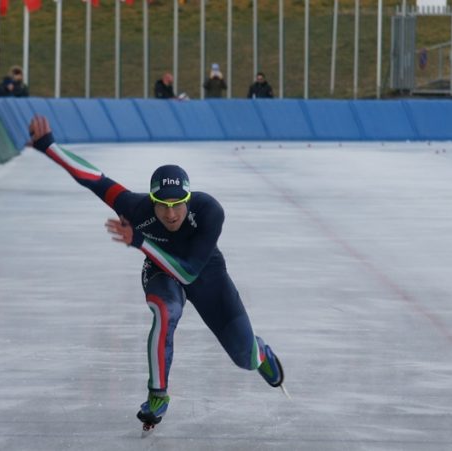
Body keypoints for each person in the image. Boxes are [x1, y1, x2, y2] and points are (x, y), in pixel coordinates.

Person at [26, 115, 285, 431]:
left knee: (243, 357)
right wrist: (49, 146)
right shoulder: (135, 208)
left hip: (204, 271)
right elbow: (94, 179)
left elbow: (189, 272)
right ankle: (158, 394)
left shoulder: (210, 211)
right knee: (165, 310)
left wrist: (140, 242)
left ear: (189, 199)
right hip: (161, 271)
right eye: (162, 204)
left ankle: (259, 353)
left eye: (178, 204)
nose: (171, 213)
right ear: (152, 200)